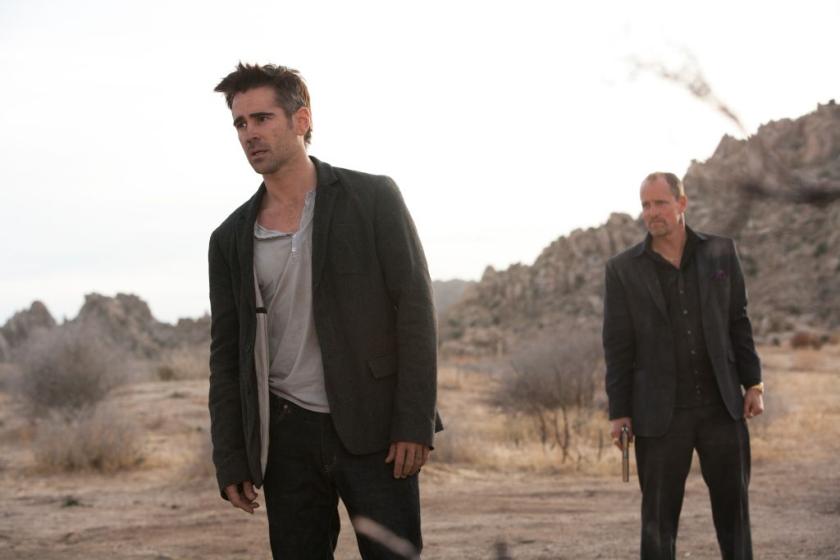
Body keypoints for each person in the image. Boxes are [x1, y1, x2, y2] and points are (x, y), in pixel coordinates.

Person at [207, 62, 441, 559]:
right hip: (286, 436)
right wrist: (232, 457)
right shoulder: (229, 238)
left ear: (302, 119)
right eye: (240, 123)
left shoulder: (373, 198)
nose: (250, 134)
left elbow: (416, 312)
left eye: (263, 118)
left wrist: (413, 423)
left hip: (375, 428)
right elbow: (227, 357)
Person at [602, 172, 764, 560]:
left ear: (682, 203)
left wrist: (753, 383)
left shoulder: (721, 252)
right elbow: (618, 346)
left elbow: (738, 320)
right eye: (645, 205)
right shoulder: (622, 269)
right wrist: (619, 412)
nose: (651, 212)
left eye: (660, 203)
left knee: (735, 515)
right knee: (658, 522)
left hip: (722, 406)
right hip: (659, 415)